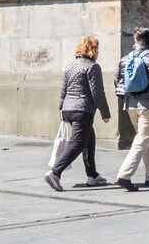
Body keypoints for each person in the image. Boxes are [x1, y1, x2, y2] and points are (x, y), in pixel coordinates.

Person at [44, 37, 111, 190]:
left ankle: (92, 175)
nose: (98, 53)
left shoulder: (70, 67)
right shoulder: (93, 67)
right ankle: (55, 173)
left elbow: (63, 90)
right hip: (83, 109)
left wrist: (61, 109)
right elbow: (98, 93)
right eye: (97, 50)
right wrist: (105, 112)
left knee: (89, 139)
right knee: (78, 142)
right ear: (92, 51)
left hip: (68, 109)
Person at [113, 27, 149, 191]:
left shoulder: (125, 59)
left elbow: (118, 82)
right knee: (141, 140)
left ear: (136, 41)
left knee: (146, 138)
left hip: (130, 105)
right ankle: (124, 174)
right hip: (148, 105)